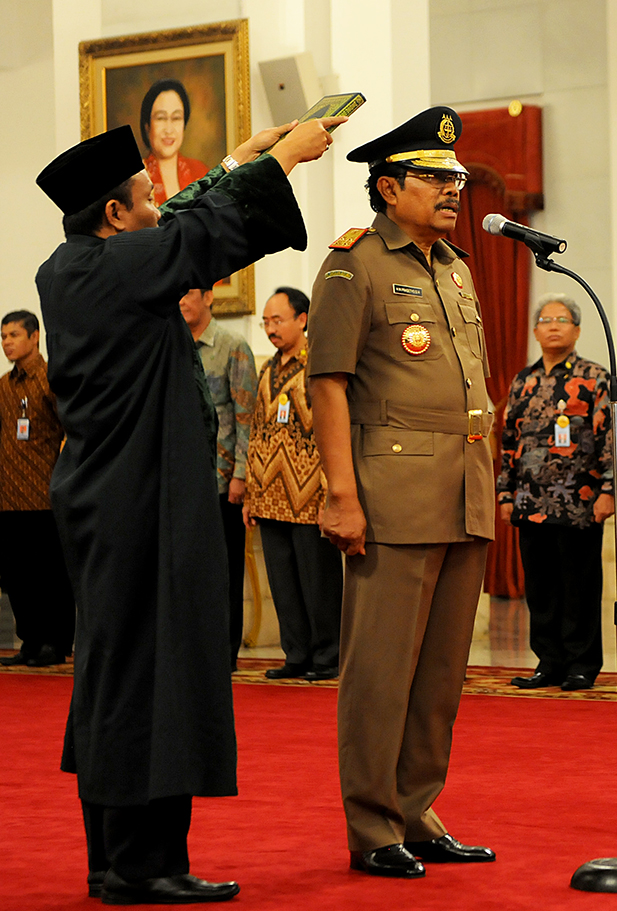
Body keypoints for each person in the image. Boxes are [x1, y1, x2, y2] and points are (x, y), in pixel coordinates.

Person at [35, 115, 340, 903]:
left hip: (108, 502)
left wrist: (239, 156)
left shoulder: (76, 267)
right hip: (142, 504)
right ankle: (145, 863)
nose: (155, 205)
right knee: (155, 674)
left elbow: (178, 223)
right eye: (142, 196)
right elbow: (200, 234)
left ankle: (113, 859)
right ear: (112, 215)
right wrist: (280, 161)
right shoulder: (118, 267)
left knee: (113, 674)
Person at [307, 106, 496, 879]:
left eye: (455, 177)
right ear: (388, 188)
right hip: (390, 492)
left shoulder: (455, 267)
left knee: (440, 673)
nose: (452, 188)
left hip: (463, 489)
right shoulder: (354, 265)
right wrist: (341, 495)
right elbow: (329, 385)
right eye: (432, 177)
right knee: (382, 669)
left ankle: (418, 810)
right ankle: (373, 823)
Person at [497, 293, 617, 692]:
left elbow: (613, 438)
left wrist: (609, 489)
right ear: (535, 330)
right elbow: (507, 442)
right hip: (530, 503)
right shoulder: (524, 380)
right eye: (545, 319)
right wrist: (505, 494)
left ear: (577, 330)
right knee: (540, 588)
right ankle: (548, 661)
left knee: (580, 587)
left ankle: (582, 664)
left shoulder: (595, 377)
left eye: (562, 319)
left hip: (580, 502)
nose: (553, 325)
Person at [243, 286, 342, 681]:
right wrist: (252, 492)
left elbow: (332, 432)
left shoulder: (318, 364)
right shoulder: (268, 368)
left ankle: (328, 656)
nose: (270, 328)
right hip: (269, 497)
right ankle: (296, 654)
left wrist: (331, 493)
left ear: (302, 320)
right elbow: (257, 431)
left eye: (277, 320)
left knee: (318, 583)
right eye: (266, 322)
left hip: (308, 495)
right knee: (283, 582)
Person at [179, 287, 257, 672]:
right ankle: (193, 650)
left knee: (224, 571)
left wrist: (241, 474)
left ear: (209, 297)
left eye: (189, 293)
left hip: (223, 480)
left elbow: (246, 416)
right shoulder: (171, 342)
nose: (181, 301)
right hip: (181, 480)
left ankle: (224, 653)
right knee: (188, 571)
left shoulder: (232, 345)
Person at [0, 310, 75, 667]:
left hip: (45, 494)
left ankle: (56, 642)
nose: (7, 343)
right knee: (18, 576)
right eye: (3, 337)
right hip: (9, 497)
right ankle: (29, 641)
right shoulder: (3, 386)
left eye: (14, 335)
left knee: (51, 574)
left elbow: (72, 432)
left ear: (34, 337)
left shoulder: (52, 379)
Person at [140, 78, 209, 206]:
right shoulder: (135, 180)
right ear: (147, 125)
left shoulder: (201, 173)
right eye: (161, 118)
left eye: (176, 118)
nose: (169, 129)